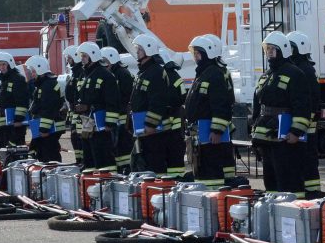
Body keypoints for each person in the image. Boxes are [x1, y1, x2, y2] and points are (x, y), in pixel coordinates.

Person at [251, 31, 310, 197]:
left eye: (272, 49)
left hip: (286, 139)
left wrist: (296, 131)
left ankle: (294, 209)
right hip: (267, 139)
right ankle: (274, 207)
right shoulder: (266, 76)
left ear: (283, 50)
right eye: (267, 49)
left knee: (289, 178)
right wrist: (255, 130)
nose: (269, 53)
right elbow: (258, 106)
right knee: (270, 179)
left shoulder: (295, 74)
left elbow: (302, 106)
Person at [185, 35, 239, 189]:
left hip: (210, 134)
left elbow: (221, 105)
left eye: (198, 54)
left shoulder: (214, 74)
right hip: (201, 132)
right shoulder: (203, 74)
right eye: (194, 54)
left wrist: (216, 130)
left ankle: (212, 197)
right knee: (202, 167)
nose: (195, 57)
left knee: (211, 168)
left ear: (207, 54)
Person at [129, 34, 185, 175]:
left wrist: (150, 124)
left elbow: (157, 102)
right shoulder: (144, 73)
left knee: (155, 164)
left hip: (154, 131)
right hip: (144, 129)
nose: (137, 52)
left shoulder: (155, 72)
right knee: (147, 162)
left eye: (139, 49)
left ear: (148, 51)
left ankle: (158, 191)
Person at [288, 31, 325, 198]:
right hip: (302, 126)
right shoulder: (299, 68)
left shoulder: (305, 70)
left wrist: (301, 126)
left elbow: (311, 101)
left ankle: (312, 192)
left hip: (306, 128)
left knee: (308, 160)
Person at [74, 42, 120, 172]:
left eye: (84, 56)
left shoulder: (106, 76)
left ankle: (107, 179)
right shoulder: (85, 75)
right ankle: (90, 181)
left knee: (103, 155)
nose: (82, 59)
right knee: (89, 154)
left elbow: (112, 102)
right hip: (87, 123)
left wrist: (109, 124)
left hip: (101, 126)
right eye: (81, 56)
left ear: (93, 56)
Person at [24, 55, 65, 162]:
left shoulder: (48, 86)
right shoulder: (44, 84)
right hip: (46, 127)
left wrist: (44, 129)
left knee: (49, 156)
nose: (32, 75)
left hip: (49, 129)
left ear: (40, 69)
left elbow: (48, 109)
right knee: (43, 154)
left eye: (33, 71)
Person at [101, 47, 135, 173]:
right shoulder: (113, 74)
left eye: (105, 61)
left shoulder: (122, 74)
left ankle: (126, 169)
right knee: (117, 148)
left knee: (123, 147)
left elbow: (126, 97)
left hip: (123, 119)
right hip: (117, 118)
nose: (103, 64)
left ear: (112, 59)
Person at [0, 52, 29, 150]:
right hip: (4, 126)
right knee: (3, 151)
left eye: (4, 64)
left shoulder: (18, 79)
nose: (1, 67)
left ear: (10, 64)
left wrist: (18, 120)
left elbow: (22, 101)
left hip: (15, 126)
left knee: (15, 151)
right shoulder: (4, 80)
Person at [62, 45, 85, 167]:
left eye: (69, 58)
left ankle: (83, 161)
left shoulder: (80, 73)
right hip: (74, 113)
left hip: (80, 114)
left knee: (80, 138)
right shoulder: (75, 73)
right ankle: (79, 161)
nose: (68, 61)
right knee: (75, 138)